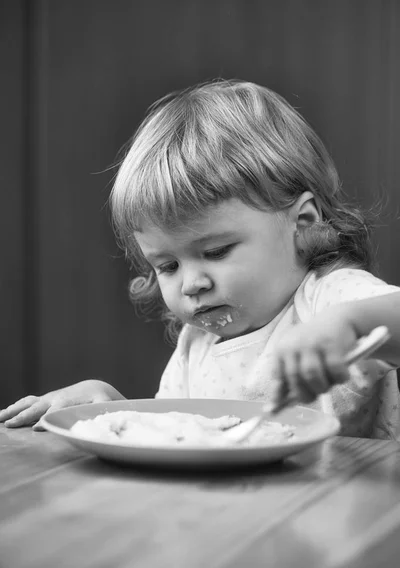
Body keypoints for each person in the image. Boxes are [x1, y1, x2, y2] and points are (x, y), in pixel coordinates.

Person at [1, 79, 400, 438]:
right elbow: (180, 435)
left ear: (304, 223)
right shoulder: (199, 343)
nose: (192, 284)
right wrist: (108, 407)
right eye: (168, 266)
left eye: (215, 252)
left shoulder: (325, 298)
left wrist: (347, 325)